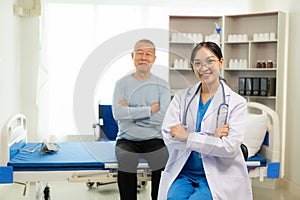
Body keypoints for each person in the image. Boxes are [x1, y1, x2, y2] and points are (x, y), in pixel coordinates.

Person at [158, 42, 252, 200]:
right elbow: (169, 136)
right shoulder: (182, 98)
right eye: (197, 63)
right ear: (192, 66)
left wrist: (188, 136)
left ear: (221, 62)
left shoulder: (236, 102)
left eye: (210, 61)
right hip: (184, 172)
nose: (204, 68)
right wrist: (211, 138)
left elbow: (230, 147)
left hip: (218, 174)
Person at [112, 39, 170, 200]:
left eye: (148, 54)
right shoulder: (121, 84)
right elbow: (117, 113)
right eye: (140, 53)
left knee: (163, 163)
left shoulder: (162, 85)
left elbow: (162, 118)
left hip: (154, 139)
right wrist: (149, 110)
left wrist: (130, 111)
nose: (144, 57)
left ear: (154, 59)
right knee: (126, 162)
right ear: (132, 55)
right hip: (126, 140)